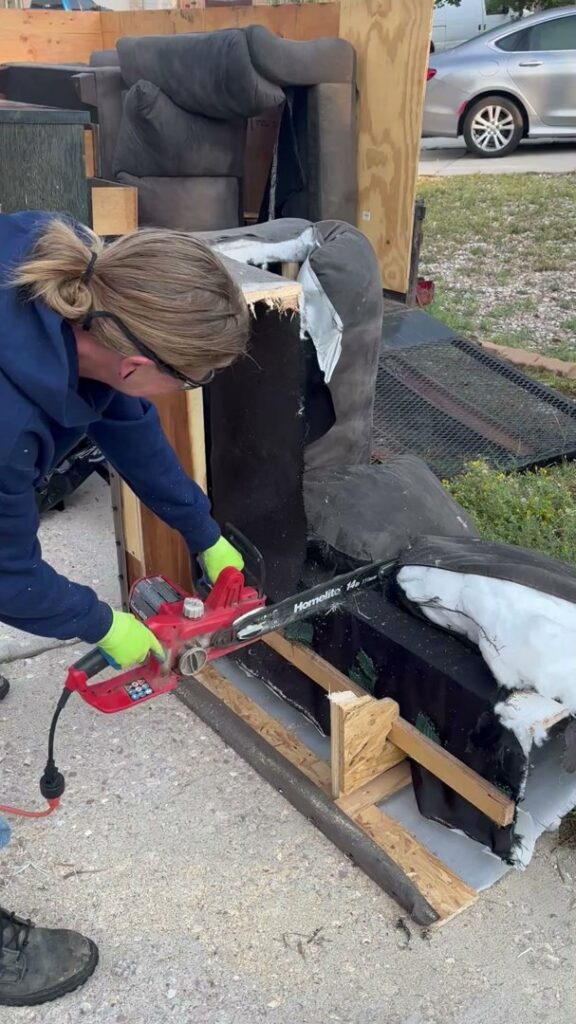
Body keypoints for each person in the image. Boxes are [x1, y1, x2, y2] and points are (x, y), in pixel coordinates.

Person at [0, 210, 250, 1007]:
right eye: (190, 380)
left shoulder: (76, 266)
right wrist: (103, 623)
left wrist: (205, 534)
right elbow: (8, 575)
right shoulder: (6, 423)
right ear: (138, 361)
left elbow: (129, 426)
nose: (187, 392)